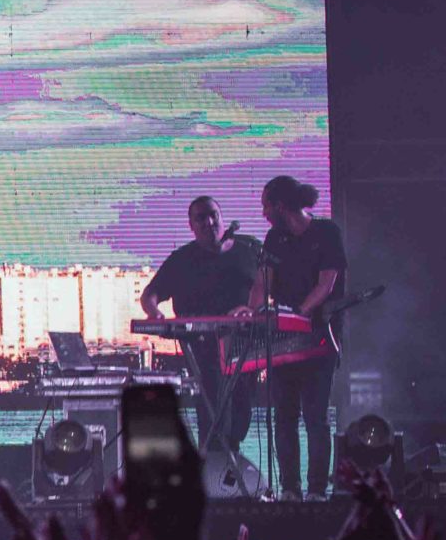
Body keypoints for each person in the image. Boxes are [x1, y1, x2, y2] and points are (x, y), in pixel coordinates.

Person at [139, 195, 257, 455]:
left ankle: (229, 458)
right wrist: (154, 312)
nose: (209, 222)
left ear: (222, 217)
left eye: (213, 215)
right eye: (200, 218)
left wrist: (253, 309)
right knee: (213, 408)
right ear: (191, 225)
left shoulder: (248, 252)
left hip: (243, 345)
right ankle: (215, 464)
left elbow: (267, 286)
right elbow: (150, 294)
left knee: (241, 410)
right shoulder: (182, 259)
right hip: (202, 347)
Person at [251, 175, 345, 498]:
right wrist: (253, 312)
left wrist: (300, 314)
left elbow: (326, 284)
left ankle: (317, 490)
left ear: (280, 206)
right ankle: (290, 489)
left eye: (266, 206)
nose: (263, 213)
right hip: (283, 342)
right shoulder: (274, 239)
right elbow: (262, 283)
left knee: (315, 417)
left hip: (319, 337)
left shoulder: (327, 232)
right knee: (284, 416)